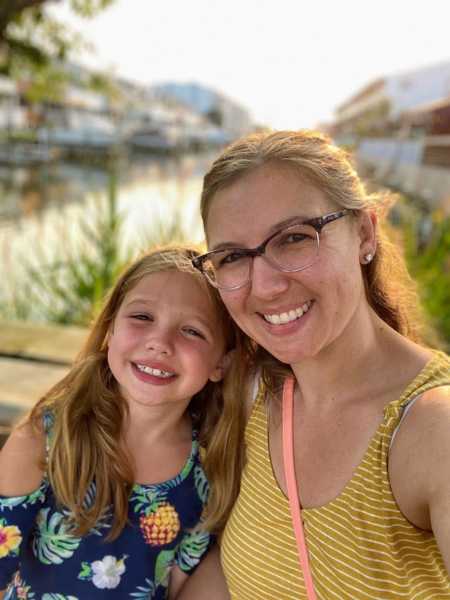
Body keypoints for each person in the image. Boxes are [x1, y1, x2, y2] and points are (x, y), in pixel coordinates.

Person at [179, 130, 450, 600]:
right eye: (233, 257)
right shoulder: (249, 391)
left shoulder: (430, 429)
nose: (264, 286)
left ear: (365, 233)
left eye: (295, 238)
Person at [0, 246, 237, 599]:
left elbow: (177, 587)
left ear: (222, 363)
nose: (160, 342)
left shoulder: (210, 470)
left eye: (192, 331)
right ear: (110, 330)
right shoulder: (44, 441)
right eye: (142, 317)